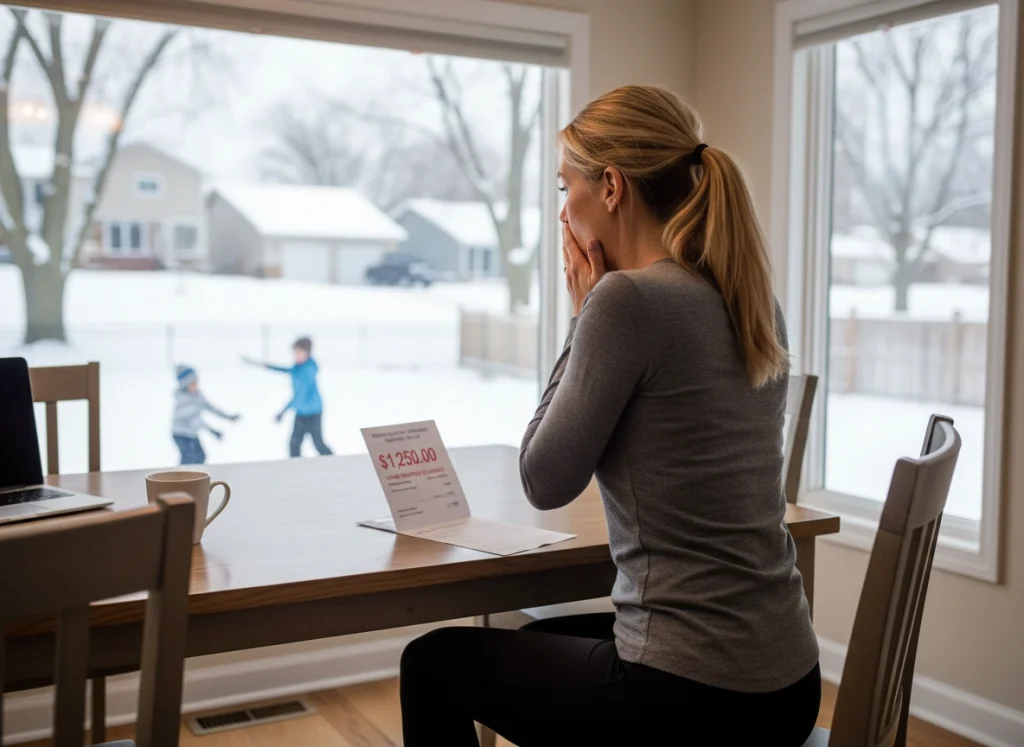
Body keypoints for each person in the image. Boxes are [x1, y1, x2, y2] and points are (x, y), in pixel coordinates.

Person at [398, 86, 821, 746]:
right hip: (788, 682)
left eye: (567, 186)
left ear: (613, 188)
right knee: (538, 638)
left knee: (431, 663)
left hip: (690, 694)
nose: (565, 209)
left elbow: (543, 478)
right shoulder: (749, 297)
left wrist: (581, 314)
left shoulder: (627, 301)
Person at [244, 337, 333, 458]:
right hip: (302, 412)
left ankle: (337, 463)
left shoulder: (306, 371)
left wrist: (283, 411)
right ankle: (295, 468)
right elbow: (286, 370)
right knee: (294, 444)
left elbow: (299, 397)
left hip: (312, 413)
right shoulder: (298, 367)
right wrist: (266, 366)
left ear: (307, 352)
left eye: (299, 352)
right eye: (295, 352)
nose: (296, 355)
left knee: (317, 444)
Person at [171, 365, 239, 466]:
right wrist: (212, 430)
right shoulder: (182, 400)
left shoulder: (197, 395)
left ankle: (194, 477)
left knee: (200, 457)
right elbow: (195, 421)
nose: (195, 385)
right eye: (192, 383)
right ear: (185, 384)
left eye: (196, 382)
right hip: (181, 434)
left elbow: (210, 407)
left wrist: (228, 417)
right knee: (189, 458)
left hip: (191, 433)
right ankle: (180, 478)